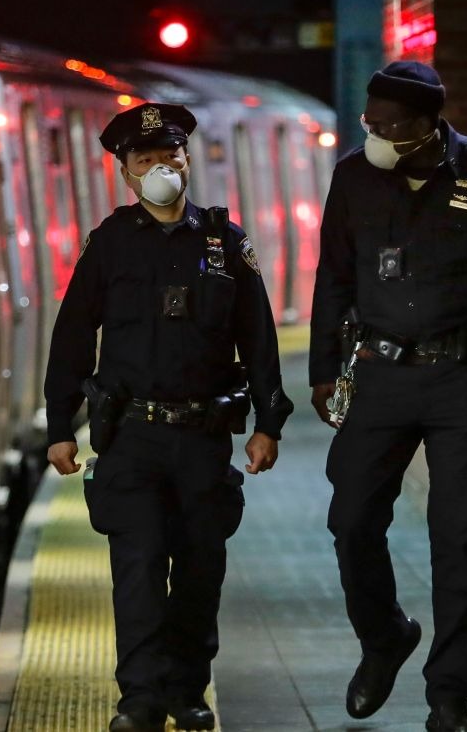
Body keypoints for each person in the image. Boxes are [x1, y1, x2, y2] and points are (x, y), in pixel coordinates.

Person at [309, 62, 467, 732]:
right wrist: (321, 371)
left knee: (458, 541)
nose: (374, 135)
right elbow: (333, 278)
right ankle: (384, 638)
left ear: (426, 126)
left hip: (464, 381)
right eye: (369, 123)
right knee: (352, 524)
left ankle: (450, 695)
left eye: (388, 126)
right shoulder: (353, 177)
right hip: (380, 377)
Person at [44, 102, 295, 732]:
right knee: (138, 567)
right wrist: (57, 427)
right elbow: (72, 336)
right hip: (130, 435)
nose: (161, 167)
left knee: (199, 570)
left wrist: (269, 422)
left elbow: (258, 337)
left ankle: (188, 690)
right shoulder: (109, 246)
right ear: (126, 173)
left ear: (187, 160)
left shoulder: (225, 243)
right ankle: (139, 699)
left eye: (170, 155)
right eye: (145, 158)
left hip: (203, 436)